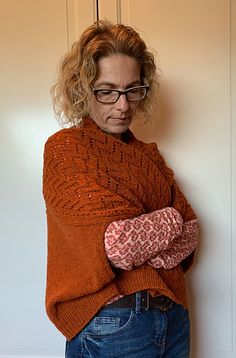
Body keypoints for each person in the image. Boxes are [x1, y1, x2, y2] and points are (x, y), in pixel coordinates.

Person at [43, 19, 199, 358]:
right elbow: (118, 246)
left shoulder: (149, 156)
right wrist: (171, 217)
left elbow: (191, 235)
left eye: (132, 90)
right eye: (107, 90)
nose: (123, 105)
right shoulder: (66, 149)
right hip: (115, 323)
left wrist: (162, 228)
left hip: (174, 315)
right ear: (82, 88)